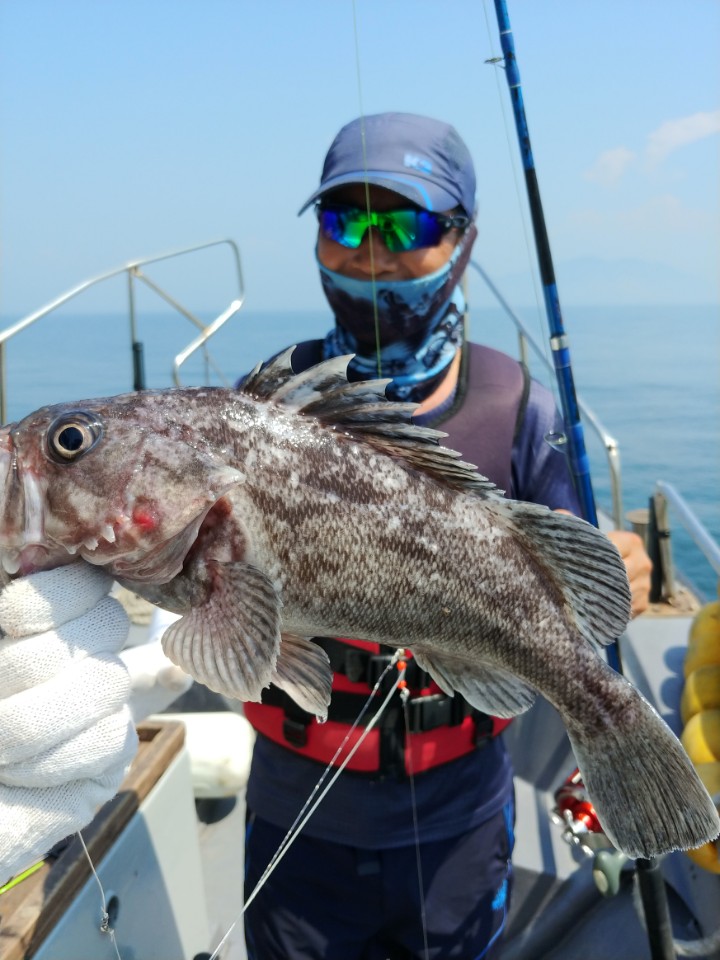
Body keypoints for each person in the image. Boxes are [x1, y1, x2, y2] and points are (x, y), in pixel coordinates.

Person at [0, 112, 651, 957]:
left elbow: (572, 551)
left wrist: (614, 564)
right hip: (299, 810)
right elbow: (238, 648)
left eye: (404, 224)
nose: (372, 251)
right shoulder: (257, 406)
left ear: (462, 236)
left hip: (461, 811)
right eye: (346, 221)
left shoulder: (518, 406)